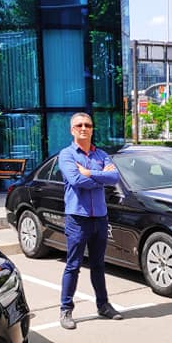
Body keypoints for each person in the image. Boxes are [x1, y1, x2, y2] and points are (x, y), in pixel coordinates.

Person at [57, 112, 122, 330]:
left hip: (100, 217)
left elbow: (115, 177)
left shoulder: (101, 154)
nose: (84, 128)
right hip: (77, 218)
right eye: (79, 125)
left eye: (88, 125)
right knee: (73, 265)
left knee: (98, 264)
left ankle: (103, 305)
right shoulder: (66, 155)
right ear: (72, 130)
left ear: (92, 129)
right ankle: (66, 309)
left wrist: (89, 172)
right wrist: (100, 177)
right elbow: (76, 180)